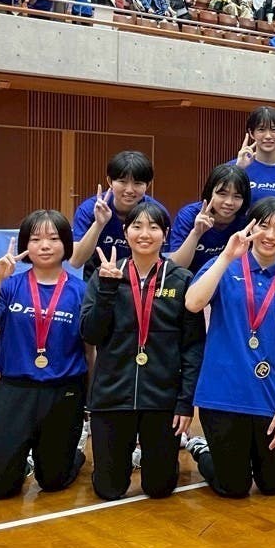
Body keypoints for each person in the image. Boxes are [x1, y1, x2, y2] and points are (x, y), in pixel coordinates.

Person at [182, 198, 275, 498]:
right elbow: (193, 303)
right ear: (251, 227)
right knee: (234, 487)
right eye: (263, 226)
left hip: (268, 396)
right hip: (221, 395)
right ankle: (203, 450)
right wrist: (227, 256)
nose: (270, 235)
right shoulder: (224, 266)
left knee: (274, 484)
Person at [80, 201, 204, 500]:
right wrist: (108, 289)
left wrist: (185, 403)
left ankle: (173, 453)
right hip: (112, 397)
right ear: (125, 232)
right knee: (108, 490)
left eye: (153, 227)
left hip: (162, 399)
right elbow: (91, 334)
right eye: (137, 226)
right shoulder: (106, 274)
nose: (144, 234)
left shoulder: (181, 280)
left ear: (166, 234)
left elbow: (193, 347)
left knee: (159, 489)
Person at [0, 211, 87, 499]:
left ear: (66, 244)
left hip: (63, 392)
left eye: (53, 238)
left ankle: (75, 454)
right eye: (35, 239)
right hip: (15, 389)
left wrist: (89, 397)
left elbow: (89, 349)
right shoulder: (10, 286)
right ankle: (22, 459)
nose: (44, 245)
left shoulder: (81, 291)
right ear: (25, 245)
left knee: (54, 482)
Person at [70, 150, 162, 275]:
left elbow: (162, 261)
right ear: (110, 181)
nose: (129, 190)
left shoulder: (157, 213)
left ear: (148, 185)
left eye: (137, 183)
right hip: (96, 278)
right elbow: (75, 261)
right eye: (122, 182)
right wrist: (98, 224)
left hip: (141, 280)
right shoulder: (89, 210)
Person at [167, 164, 252, 273]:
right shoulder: (189, 215)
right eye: (222, 194)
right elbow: (176, 267)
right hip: (189, 279)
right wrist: (196, 233)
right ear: (210, 192)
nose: (229, 202)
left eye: (237, 196)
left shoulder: (245, 222)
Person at [232, 105, 275, 203]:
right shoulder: (235, 167)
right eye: (261, 129)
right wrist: (238, 169)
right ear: (251, 133)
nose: (268, 136)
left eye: (274, 130)